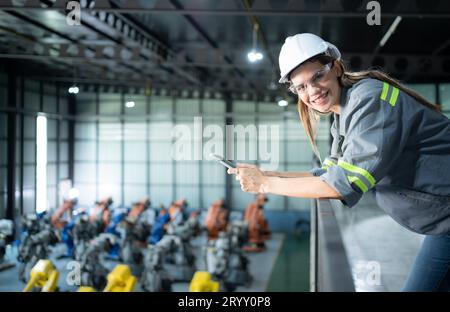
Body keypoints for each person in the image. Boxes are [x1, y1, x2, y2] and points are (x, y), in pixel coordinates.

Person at [227, 33, 450, 291]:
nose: (312, 91)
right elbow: (329, 172)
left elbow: (342, 184)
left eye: (317, 76)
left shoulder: (369, 100)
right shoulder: (344, 115)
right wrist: (267, 174)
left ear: (336, 67)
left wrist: (265, 185)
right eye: (301, 87)